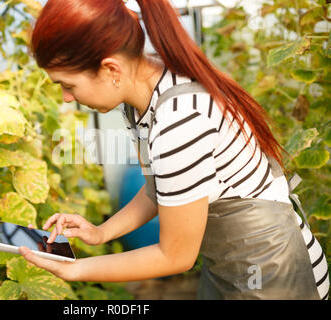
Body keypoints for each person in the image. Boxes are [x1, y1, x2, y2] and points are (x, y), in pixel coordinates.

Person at [18, 0, 329, 299]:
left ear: (111, 69)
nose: (66, 98)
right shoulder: (145, 95)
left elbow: (175, 256)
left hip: (276, 273)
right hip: (231, 265)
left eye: (68, 85)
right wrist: (102, 233)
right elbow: (161, 188)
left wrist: (77, 270)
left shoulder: (179, 120)